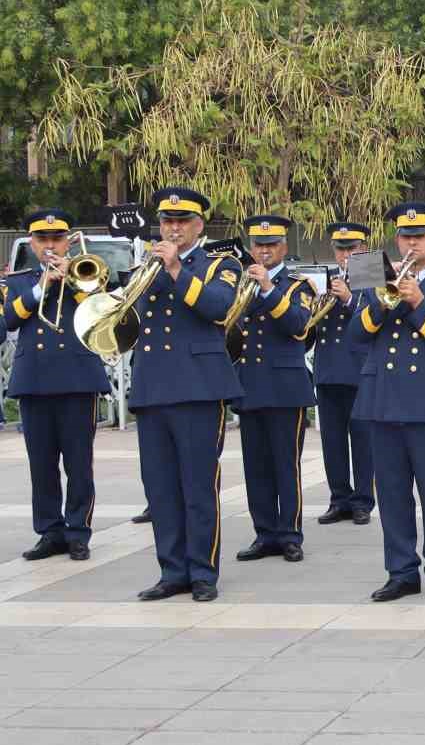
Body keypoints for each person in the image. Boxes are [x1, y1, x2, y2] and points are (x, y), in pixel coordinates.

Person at [129, 187, 246, 602]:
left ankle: (202, 572)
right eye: (167, 221)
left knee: (198, 486)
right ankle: (171, 570)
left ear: (199, 225)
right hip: (152, 386)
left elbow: (218, 307)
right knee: (160, 487)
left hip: (198, 387)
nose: (173, 228)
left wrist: (178, 269)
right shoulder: (147, 265)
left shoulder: (221, 263)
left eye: (181, 222)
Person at [356, 202, 425, 603]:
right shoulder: (374, 277)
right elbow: (358, 333)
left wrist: (420, 302)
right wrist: (384, 299)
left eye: (420, 236)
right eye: (405, 236)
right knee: (391, 492)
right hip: (383, 398)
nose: (411, 243)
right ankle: (401, 571)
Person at [5, 209, 111, 562]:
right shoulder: (19, 281)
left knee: (79, 463)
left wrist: (73, 281)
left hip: (78, 378)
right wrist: (42, 287)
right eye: (43, 240)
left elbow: (103, 311)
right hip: (34, 379)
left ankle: (78, 531)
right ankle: (50, 531)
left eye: (56, 239)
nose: (50, 246)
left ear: (68, 241)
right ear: (33, 244)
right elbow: (9, 319)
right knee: (42, 464)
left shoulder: (88, 275)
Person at [232, 214, 317, 565]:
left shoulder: (300, 287)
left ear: (284, 246)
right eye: (258, 245)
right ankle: (264, 533)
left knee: (286, 465)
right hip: (249, 384)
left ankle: (290, 534)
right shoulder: (240, 283)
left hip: (285, 387)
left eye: (271, 245)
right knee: (256, 467)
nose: (264, 251)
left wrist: (268, 287)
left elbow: (299, 327)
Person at [313, 222, 376, 527]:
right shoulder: (323, 277)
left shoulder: (372, 275)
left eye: (352, 248)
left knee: (363, 440)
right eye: (341, 249)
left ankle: (363, 500)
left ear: (363, 249)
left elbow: (376, 315)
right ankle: (339, 498)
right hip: (328, 370)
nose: (346, 254)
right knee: (333, 441)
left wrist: (350, 298)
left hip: (360, 370)